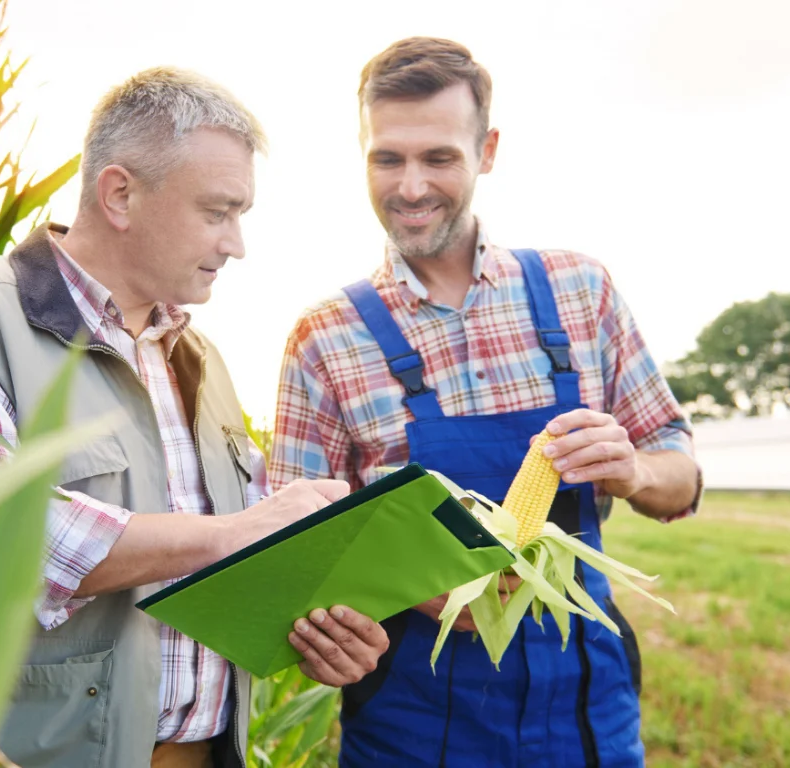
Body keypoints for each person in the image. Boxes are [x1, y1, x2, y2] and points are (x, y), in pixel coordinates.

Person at [0, 68, 388, 768]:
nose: (236, 244)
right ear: (120, 194)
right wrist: (230, 533)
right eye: (218, 211)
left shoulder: (202, 359)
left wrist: (323, 626)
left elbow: (250, 550)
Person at [268, 38, 704, 767]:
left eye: (438, 157)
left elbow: (680, 480)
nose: (410, 187)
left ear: (488, 150)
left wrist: (631, 470)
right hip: (412, 724)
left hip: (586, 712)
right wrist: (410, 590)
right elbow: (293, 551)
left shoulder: (580, 291)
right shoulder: (325, 337)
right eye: (387, 159)